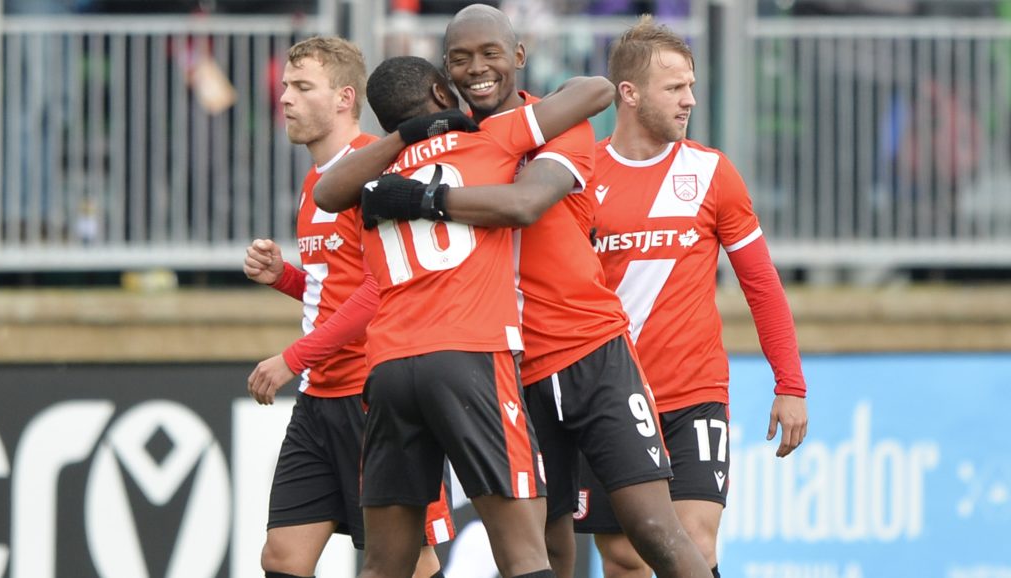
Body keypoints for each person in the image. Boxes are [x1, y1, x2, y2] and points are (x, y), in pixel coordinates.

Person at [324, 5, 713, 578]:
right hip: (511, 366)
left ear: (520, 59)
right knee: (548, 551)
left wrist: (421, 199)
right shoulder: (454, 140)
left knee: (652, 530)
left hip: (589, 351)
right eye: (461, 60)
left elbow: (526, 204)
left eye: (491, 55)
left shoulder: (553, 124)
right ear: (444, 76)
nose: (478, 70)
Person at [313, 55, 615, 578]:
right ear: (438, 90)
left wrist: (406, 135)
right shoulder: (489, 137)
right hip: (470, 356)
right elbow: (596, 91)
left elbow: (324, 192)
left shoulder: (373, 175)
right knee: (525, 553)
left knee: (384, 566)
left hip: (387, 368)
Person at [571, 16, 810, 578]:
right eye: (675, 88)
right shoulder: (582, 176)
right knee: (626, 557)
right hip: (610, 395)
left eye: (692, 86)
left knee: (696, 547)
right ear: (628, 94)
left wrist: (790, 384)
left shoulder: (711, 172)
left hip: (693, 392)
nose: (690, 100)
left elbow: (761, 284)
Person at [241, 36, 451, 578]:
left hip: (372, 392)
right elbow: (335, 289)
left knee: (407, 561)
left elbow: (381, 289)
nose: (284, 97)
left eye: (301, 87)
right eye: (286, 85)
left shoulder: (375, 171)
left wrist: (295, 357)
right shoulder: (317, 182)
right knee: (283, 557)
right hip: (320, 400)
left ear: (343, 98)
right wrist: (285, 276)